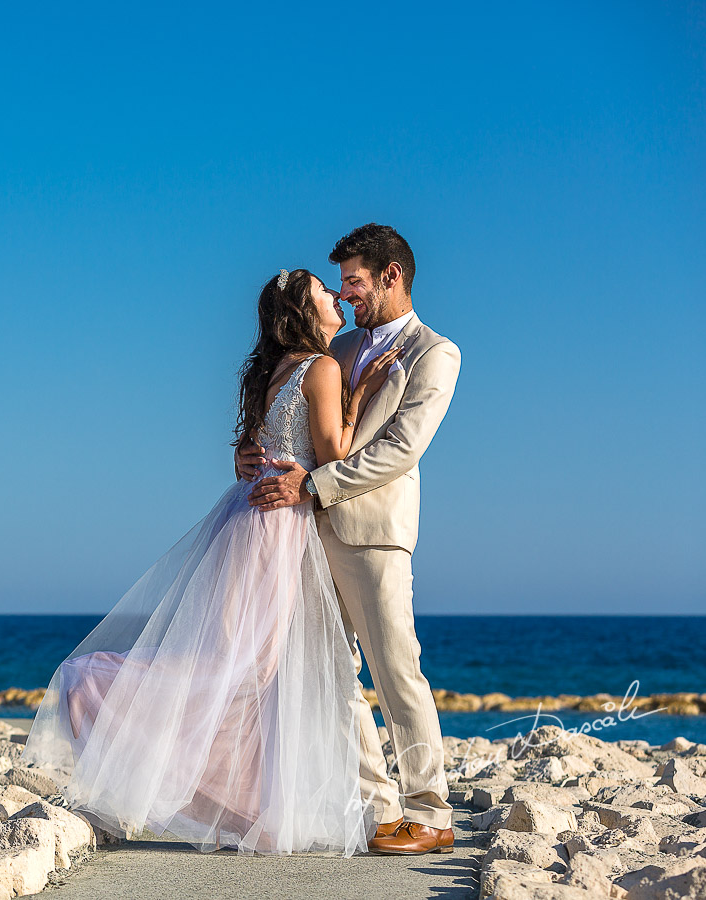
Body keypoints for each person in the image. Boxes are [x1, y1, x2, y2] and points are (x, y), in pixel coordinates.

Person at [20, 266, 401, 857]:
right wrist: (360, 398)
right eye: (324, 291)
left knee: (243, 670)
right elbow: (333, 456)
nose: (335, 295)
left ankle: (253, 810)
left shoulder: (275, 371)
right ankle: (96, 687)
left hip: (247, 523)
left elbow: (259, 450)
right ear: (305, 311)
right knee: (246, 672)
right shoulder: (323, 369)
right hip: (275, 527)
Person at [242, 224, 462, 855]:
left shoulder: (434, 353)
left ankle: (432, 812)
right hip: (306, 536)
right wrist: (254, 455)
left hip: (372, 535)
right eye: (340, 285)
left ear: (391, 276)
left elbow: (399, 450)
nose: (346, 295)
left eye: (356, 283)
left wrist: (312, 484)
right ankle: (381, 808)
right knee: (331, 674)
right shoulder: (335, 350)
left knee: (398, 671)